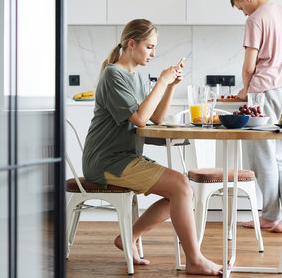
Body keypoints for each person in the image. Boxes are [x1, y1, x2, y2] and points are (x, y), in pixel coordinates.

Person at [81, 18, 222, 276]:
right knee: (181, 186)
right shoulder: (113, 75)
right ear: (132, 43)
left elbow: (155, 118)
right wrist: (161, 81)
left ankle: (128, 237)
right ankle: (195, 259)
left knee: (181, 190)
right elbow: (139, 119)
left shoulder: (136, 76)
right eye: (149, 47)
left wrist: (169, 87)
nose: (153, 54)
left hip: (125, 157)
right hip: (106, 161)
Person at [230, 0, 282, 234]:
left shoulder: (255, 19)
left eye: (240, 7)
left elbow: (249, 67)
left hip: (263, 91)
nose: (243, 13)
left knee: (262, 155)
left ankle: (270, 215)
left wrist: (246, 90)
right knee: (281, 155)